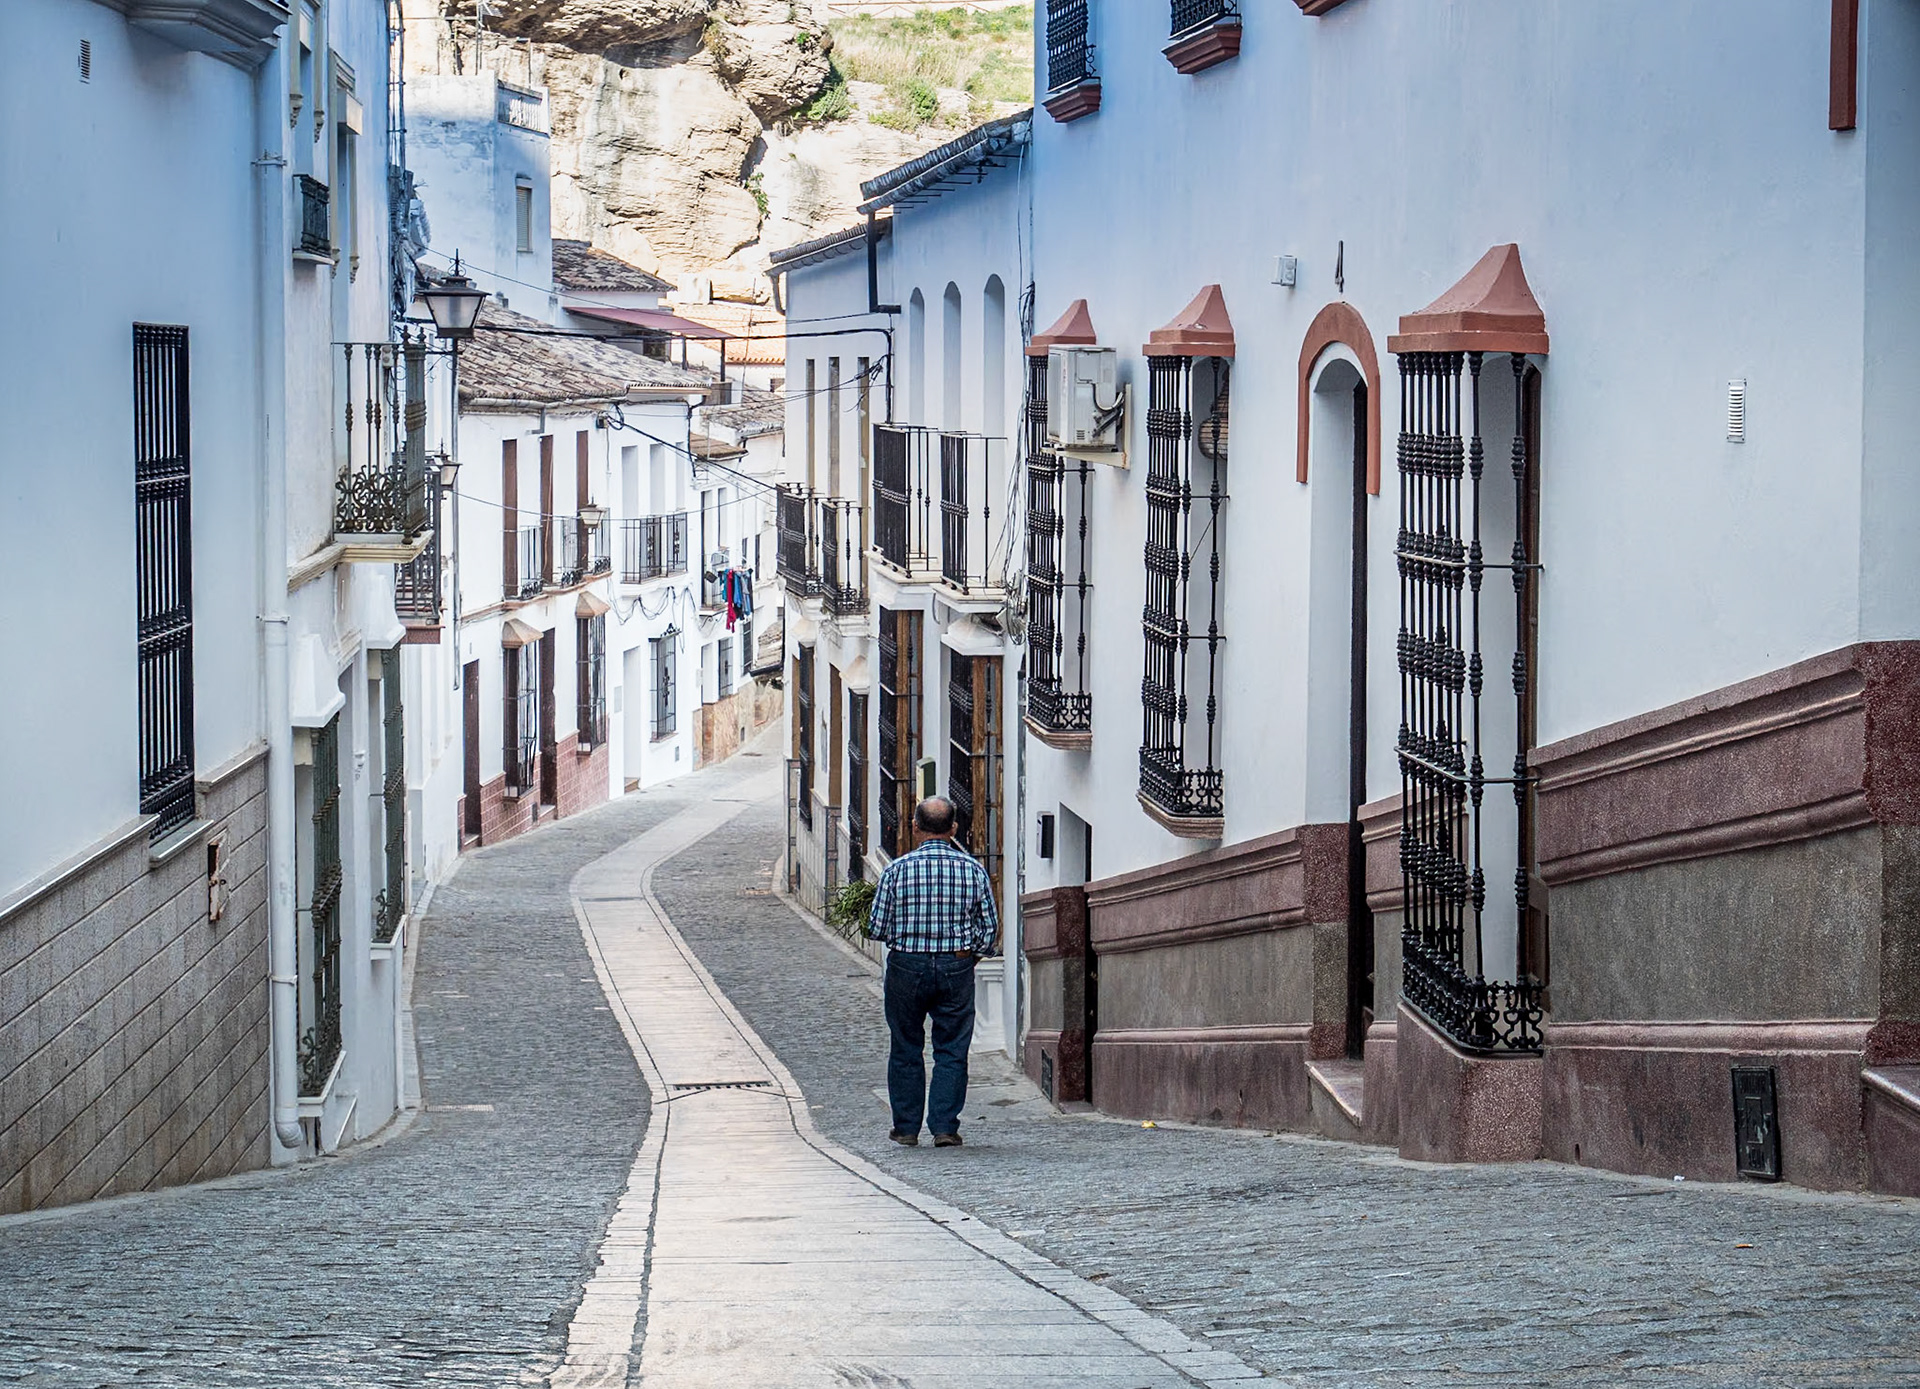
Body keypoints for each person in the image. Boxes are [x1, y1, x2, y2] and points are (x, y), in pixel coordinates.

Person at [865, 796, 999, 1148]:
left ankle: (906, 1128)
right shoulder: (973, 870)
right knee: (952, 1048)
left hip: (907, 964)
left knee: (906, 1046)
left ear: (915, 826)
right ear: (954, 828)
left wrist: (906, 939)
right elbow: (989, 930)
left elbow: (876, 926)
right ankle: (944, 1127)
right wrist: (968, 957)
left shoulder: (896, 871)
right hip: (956, 964)